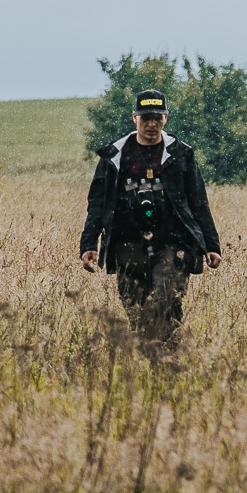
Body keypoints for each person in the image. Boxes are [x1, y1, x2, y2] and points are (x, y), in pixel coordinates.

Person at [80, 90, 222, 341]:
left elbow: (198, 201)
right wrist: (89, 243)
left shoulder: (181, 153)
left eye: (158, 117)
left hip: (173, 242)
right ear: (135, 118)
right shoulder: (114, 156)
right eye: (146, 118)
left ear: (166, 118)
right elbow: (98, 203)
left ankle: (169, 354)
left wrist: (211, 244)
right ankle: (154, 359)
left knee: (165, 301)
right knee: (136, 313)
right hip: (127, 243)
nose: (152, 124)